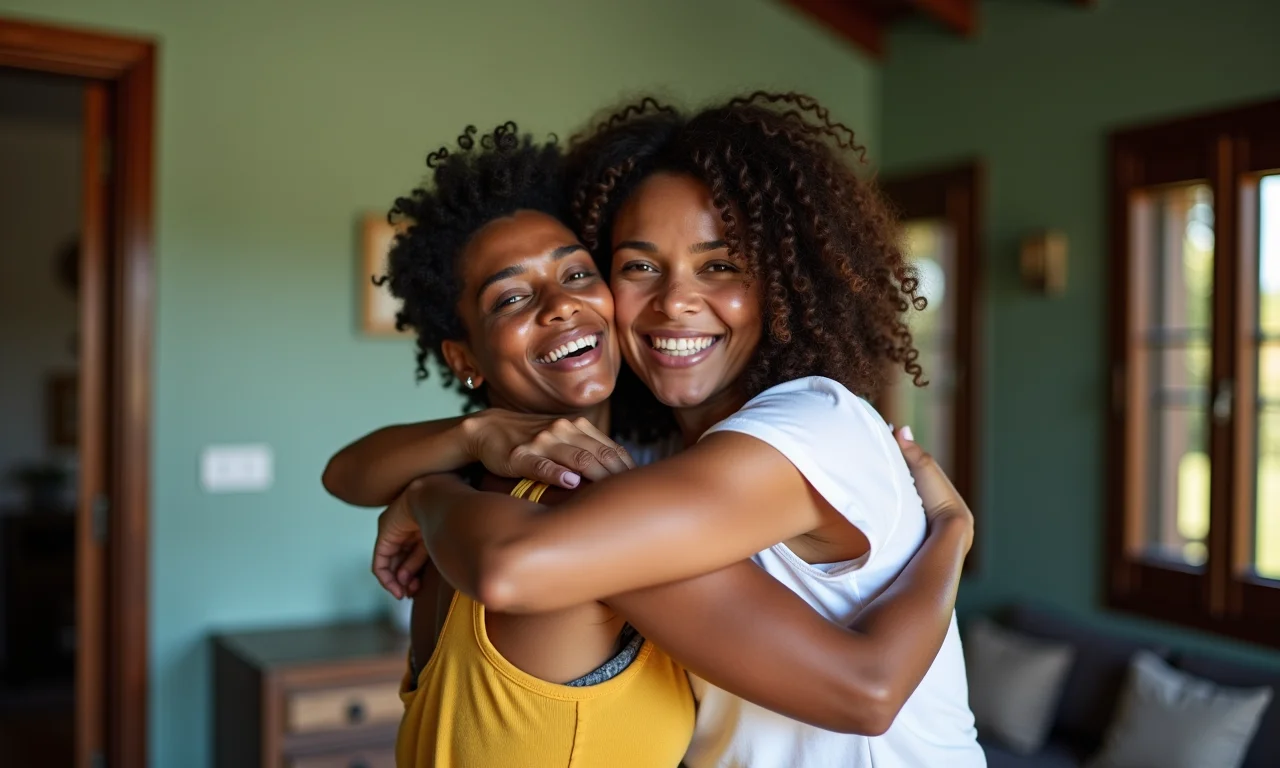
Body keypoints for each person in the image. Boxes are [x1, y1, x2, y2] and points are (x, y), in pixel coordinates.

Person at [328, 116, 975, 768]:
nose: (675, 301)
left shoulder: (811, 425)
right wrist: (464, 443)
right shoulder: (643, 462)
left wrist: (426, 498)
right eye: (639, 265)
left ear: (779, 281)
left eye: (719, 265)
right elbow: (345, 473)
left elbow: (509, 565)